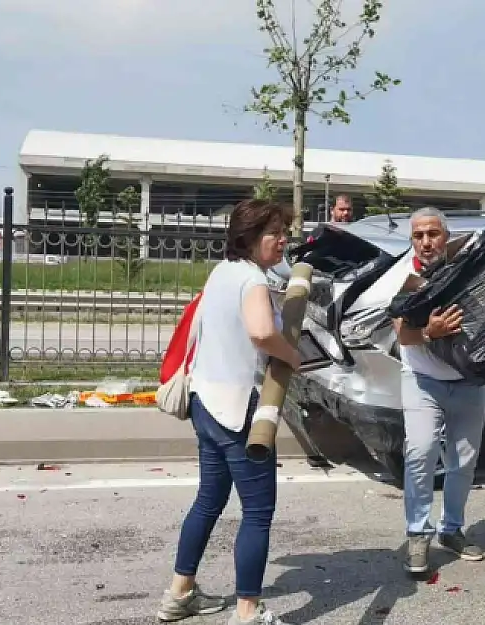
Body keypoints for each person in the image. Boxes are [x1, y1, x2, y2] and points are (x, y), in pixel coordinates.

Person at [156, 199, 302, 625]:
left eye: (284, 233)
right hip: (239, 411)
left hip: (204, 402)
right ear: (250, 237)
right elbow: (260, 332)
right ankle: (247, 613)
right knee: (257, 513)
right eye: (275, 233)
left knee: (208, 500)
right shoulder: (251, 281)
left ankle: (179, 594)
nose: (282, 240)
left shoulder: (222, 272)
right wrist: (290, 354)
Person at [391, 206, 485, 575]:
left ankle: (452, 530)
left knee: (463, 461)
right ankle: (418, 535)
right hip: (422, 381)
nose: (426, 242)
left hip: (469, 381)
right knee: (420, 455)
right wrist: (430, 332)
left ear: (445, 237)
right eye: (418, 235)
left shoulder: (467, 271)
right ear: (412, 239)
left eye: (433, 234)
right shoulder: (403, 277)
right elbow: (402, 334)